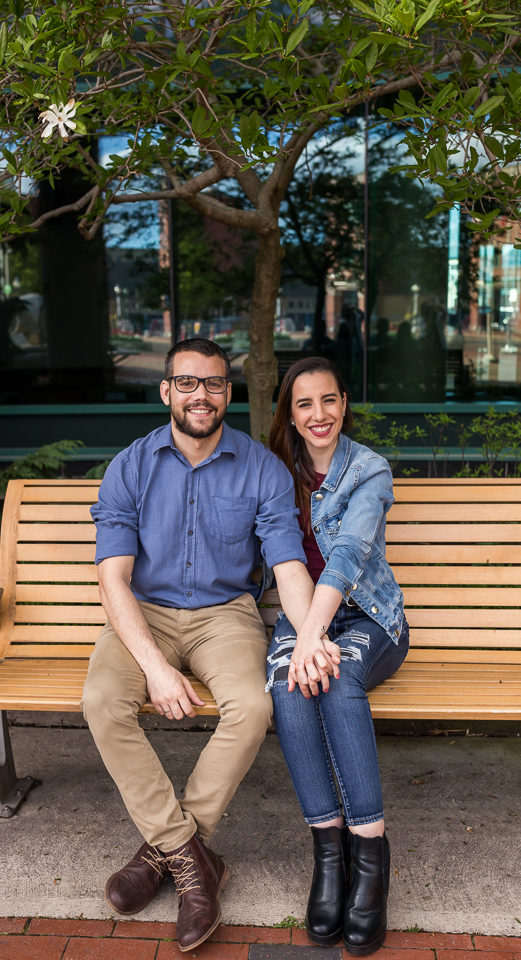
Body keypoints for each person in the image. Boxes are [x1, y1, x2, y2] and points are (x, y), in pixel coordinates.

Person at [83, 338, 324, 954]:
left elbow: (289, 566)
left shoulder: (262, 469)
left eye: (214, 384)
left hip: (226, 616)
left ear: (228, 393)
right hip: (144, 615)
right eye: (187, 383)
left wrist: (311, 636)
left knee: (254, 705)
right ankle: (194, 862)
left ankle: (161, 855)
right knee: (102, 702)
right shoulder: (130, 467)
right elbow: (113, 579)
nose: (202, 395)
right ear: (166, 391)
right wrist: (156, 669)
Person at [267, 356, 409, 955]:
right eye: (304, 404)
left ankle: (370, 856)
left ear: (344, 404)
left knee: (339, 676)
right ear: (291, 414)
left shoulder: (369, 470)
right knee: (289, 685)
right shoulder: (275, 472)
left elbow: (350, 553)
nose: (319, 414)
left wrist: (312, 637)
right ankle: (330, 854)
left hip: (369, 619)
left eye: (329, 400)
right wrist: (303, 634)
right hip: (301, 617)